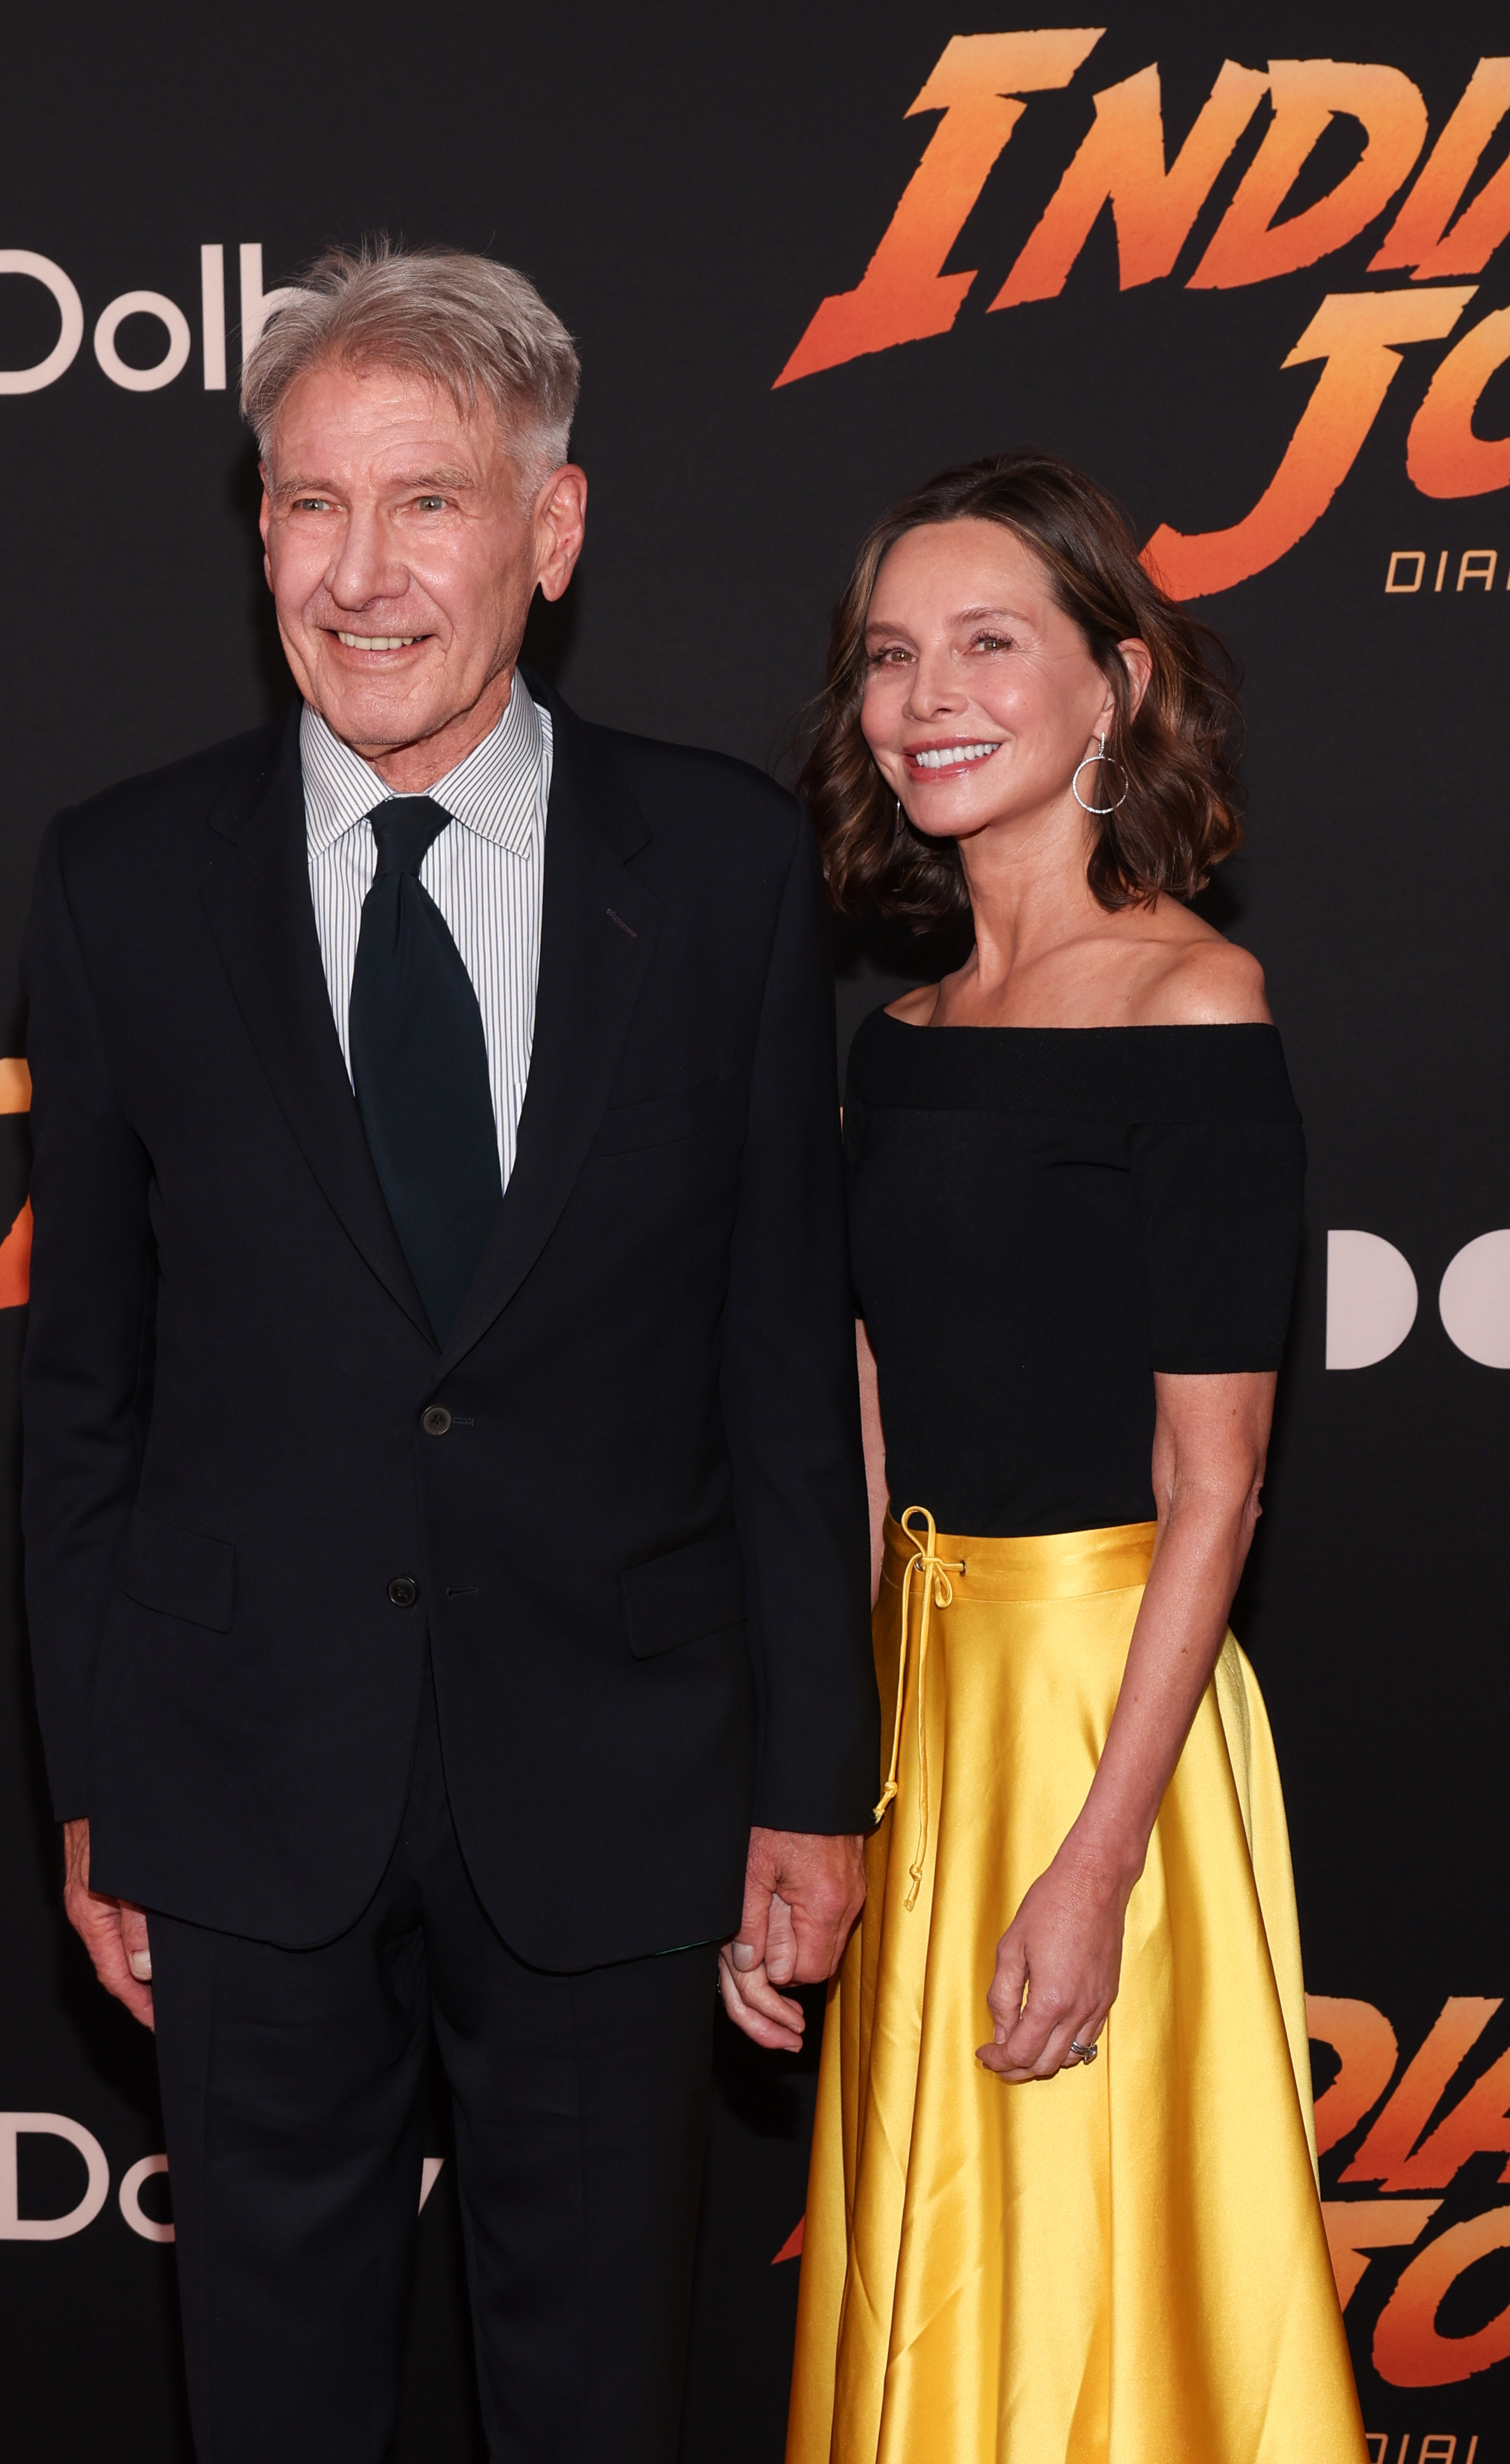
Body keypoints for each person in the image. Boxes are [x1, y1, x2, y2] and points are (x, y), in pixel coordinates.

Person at [19, 240, 879, 2464]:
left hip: (613, 1771)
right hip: (235, 1774)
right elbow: (84, 1387)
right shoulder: (120, 880)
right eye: (310, 504)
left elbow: (783, 1362)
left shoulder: (718, 871)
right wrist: (97, 1776)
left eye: (425, 503)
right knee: (272, 2401)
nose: (361, 573)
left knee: (595, 2391)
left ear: (552, 528)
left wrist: (811, 1775)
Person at [723, 454, 1367, 2462]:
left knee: (1103, 2270)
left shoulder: (1192, 1005)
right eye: (890, 656)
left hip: (1111, 1721)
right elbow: (862, 1419)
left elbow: (1215, 1493)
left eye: (989, 643)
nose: (927, 694)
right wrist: (807, 1787)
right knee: (939, 2263)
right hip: (917, 1704)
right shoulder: (901, 1030)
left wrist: (1092, 1865)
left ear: (1116, 685)